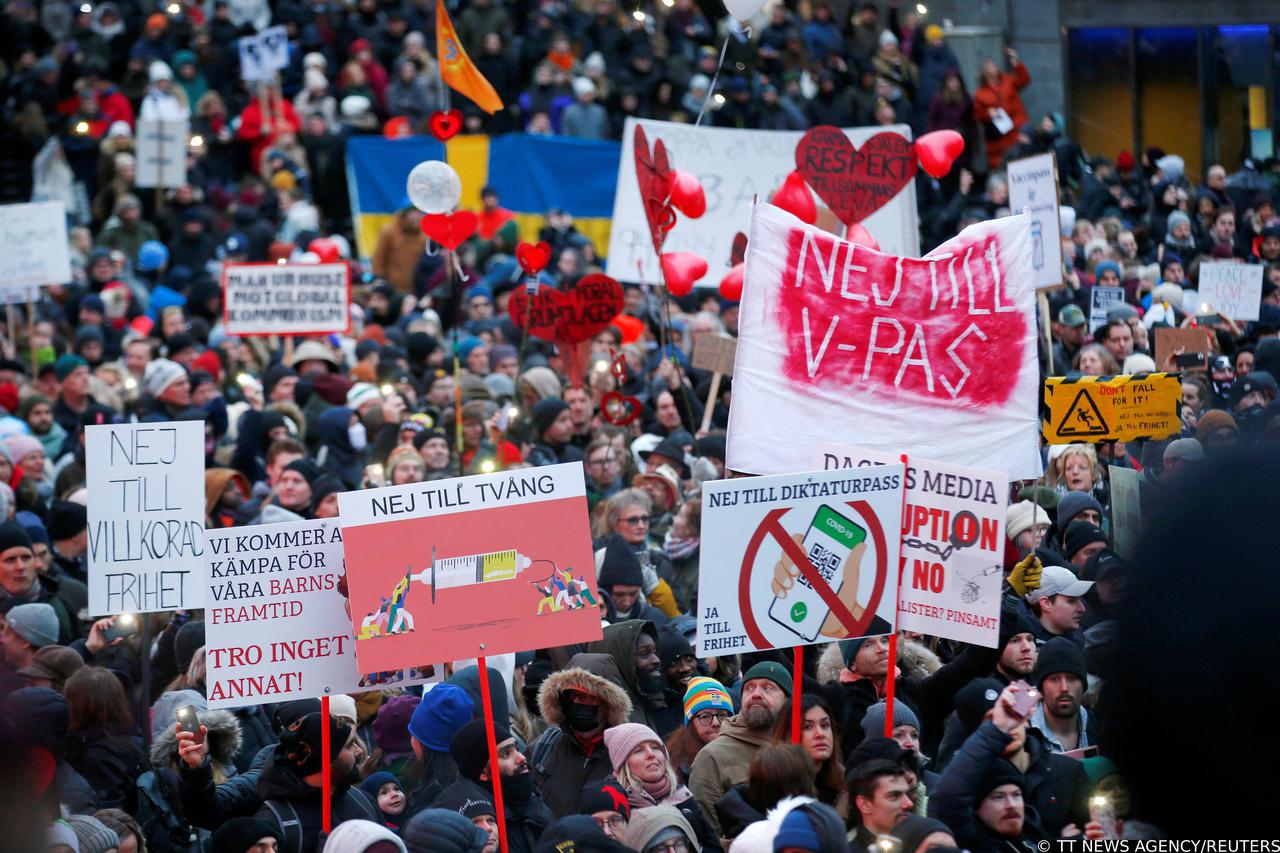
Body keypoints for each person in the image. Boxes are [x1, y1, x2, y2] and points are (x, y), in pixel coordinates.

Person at [687, 661, 791, 836]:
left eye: (768, 688)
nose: (756, 694)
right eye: (749, 688)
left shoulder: (804, 743)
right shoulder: (712, 757)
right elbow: (711, 836)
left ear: (788, 699)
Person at [253, 711, 380, 851]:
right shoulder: (275, 822)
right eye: (349, 745)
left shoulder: (362, 800)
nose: (359, 751)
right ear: (324, 759)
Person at [527, 654, 634, 816]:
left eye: (586, 697)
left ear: (608, 703)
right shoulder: (542, 749)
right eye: (571, 696)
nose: (577, 703)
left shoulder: (630, 753)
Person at [601, 722, 718, 849]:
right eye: (638, 750)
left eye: (655, 747)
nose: (651, 754)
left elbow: (712, 846)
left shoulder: (682, 795)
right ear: (622, 763)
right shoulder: (612, 806)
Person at [442, 719, 553, 852]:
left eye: (516, 749)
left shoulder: (529, 793)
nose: (521, 758)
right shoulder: (482, 824)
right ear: (483, 773)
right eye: (506, 754)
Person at [774, 694, 847, 818]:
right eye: (807, 727)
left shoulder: (845, 785)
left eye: (825, 725)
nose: (820, 734)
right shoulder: (774, 786)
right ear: (788, 735)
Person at [589, 619, 666, 730]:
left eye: (654, 651)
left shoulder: (657, 702)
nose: (656, 660)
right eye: (644, 653)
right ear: (620, 660)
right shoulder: (605, 721)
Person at [1027, 638, 1096, 754]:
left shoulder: (1098, 729)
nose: (1064, 688)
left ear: (1083, 685)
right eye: (1054, 679)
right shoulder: (1023, 734)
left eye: (1071, 678)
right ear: (1041, 688)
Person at [665, 676, 732, 784]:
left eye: (722, 715)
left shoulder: (744, 751)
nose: (716, 723)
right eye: (705, 716)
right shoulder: (678, 765)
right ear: (691, 722)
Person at [847, 758, 915, 851]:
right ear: (864, 804)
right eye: (895, 795)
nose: (909, 803)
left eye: (907, 794)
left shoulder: (923, 844)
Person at [1025, 565, 1094, 646]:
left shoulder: (1080, 643)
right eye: (1071, 601)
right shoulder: (1027, 650)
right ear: (1046, 604)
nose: (1082, 608)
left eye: (1079, 599)